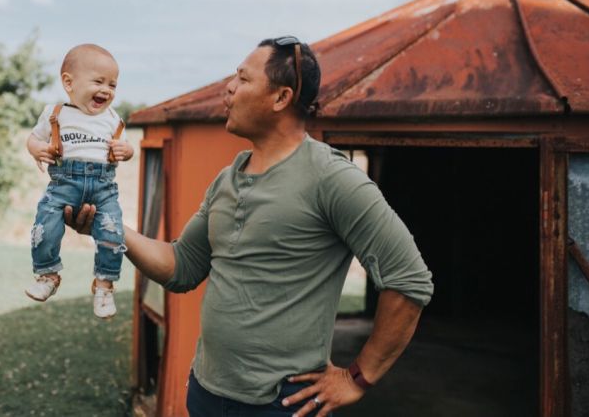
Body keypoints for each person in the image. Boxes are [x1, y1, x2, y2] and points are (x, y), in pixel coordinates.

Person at [65, 37, 434, 415]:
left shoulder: (332, 178)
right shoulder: (228, 179)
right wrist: (108, 227)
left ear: (280, 98)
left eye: (242, 79)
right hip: (207, 392)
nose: (228, 87)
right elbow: (181, 266)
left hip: (278, 403)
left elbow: (408, 279)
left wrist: (358, 376)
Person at [24, 43, 134, 319]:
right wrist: (37, 149)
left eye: (113, 85)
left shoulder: (113, 119)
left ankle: (105, 285)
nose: (107, 90)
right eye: (98, 81)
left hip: (103, 190)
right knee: (45, 225)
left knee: (112, 232)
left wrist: (126, 151)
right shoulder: (56, 113)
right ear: (69, 83)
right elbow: (34, 138)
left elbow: (127, 148)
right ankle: (47, 275)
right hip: (63, 186)